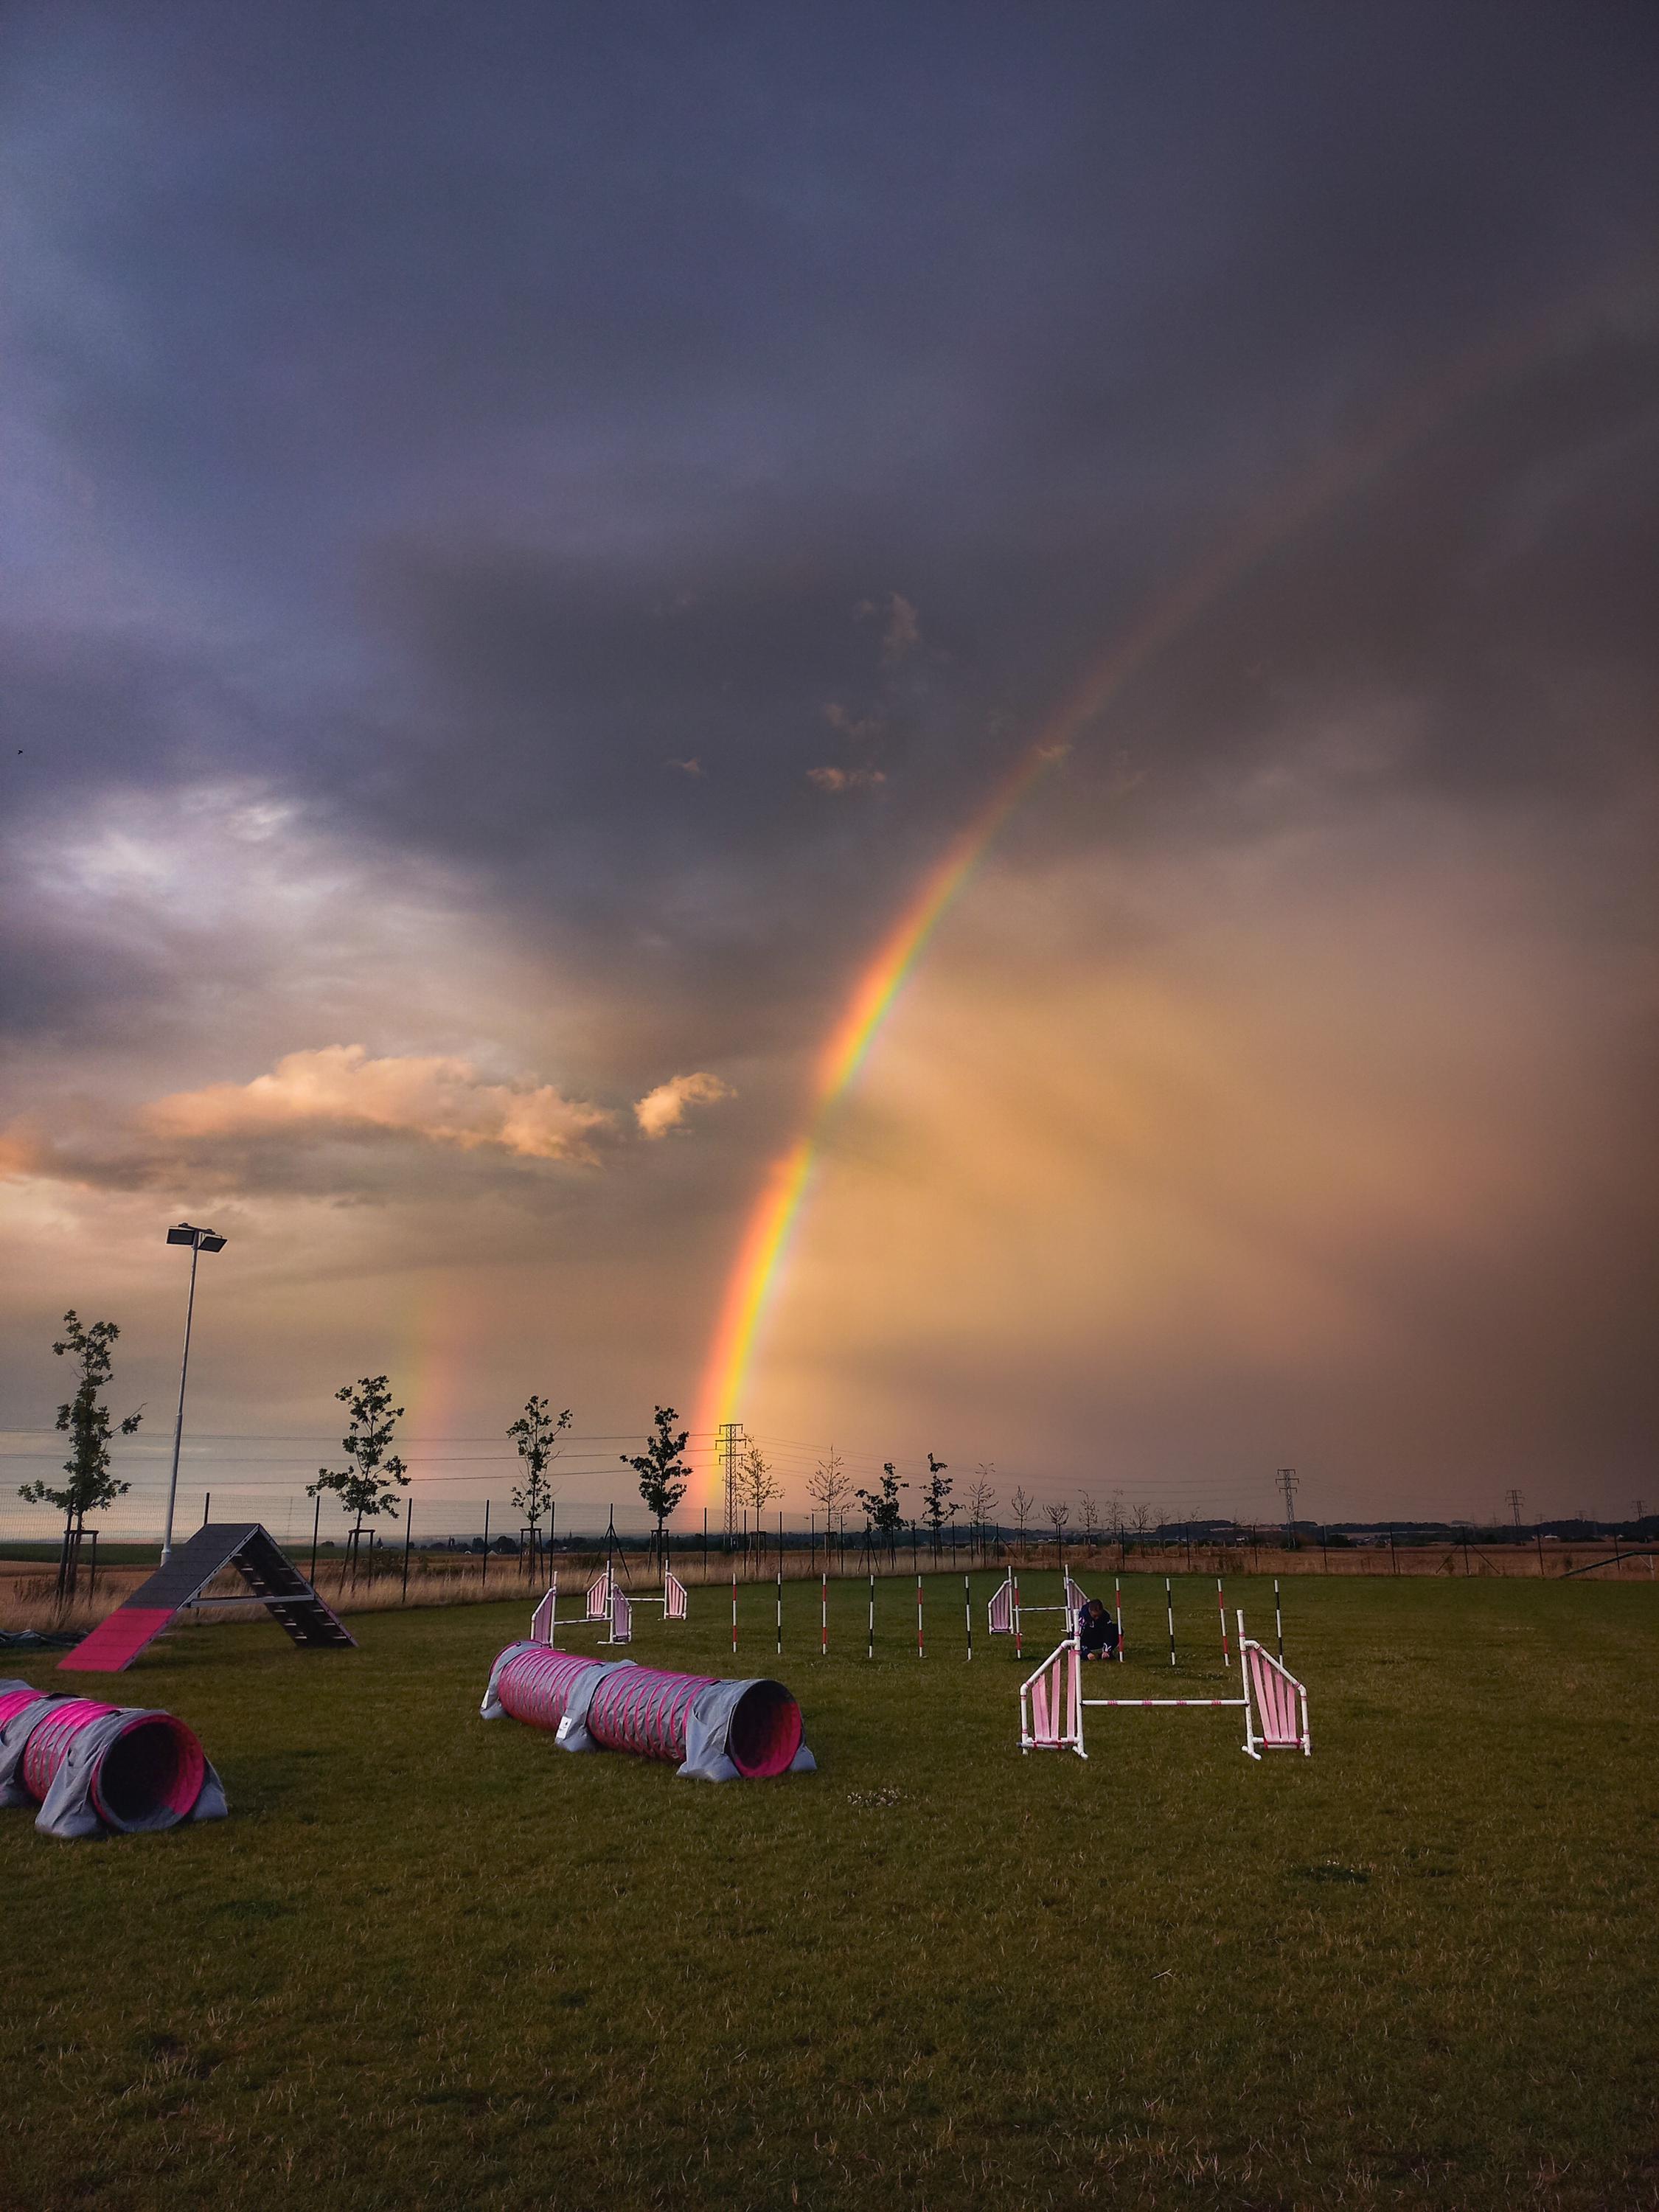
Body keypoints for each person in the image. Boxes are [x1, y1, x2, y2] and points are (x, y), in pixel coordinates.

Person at [1077, 1596, 1119, 1661]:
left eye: (1099, 1615)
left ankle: (1107, 1654)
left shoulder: (1105, 1616)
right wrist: (1087, 1653)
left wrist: (1106, 1650)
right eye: (1095, 1616)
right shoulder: (1082, 1618)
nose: (1097, 1618)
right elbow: (1077, 1638)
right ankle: (1084, 1655)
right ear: (1090, 1611)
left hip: (1098, 1637)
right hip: (1086, 1640)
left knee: (1117, 1629)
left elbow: (1109, 1633)